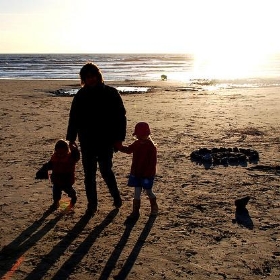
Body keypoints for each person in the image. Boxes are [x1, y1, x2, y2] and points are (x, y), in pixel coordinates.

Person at [66, 62, 127, 217]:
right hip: (86, 141)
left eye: (93, 76)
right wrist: (71, 140)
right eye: (87, 77)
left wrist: (119, 139)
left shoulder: (111, 93)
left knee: (106, 171)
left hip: (106, 140)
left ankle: (116, 198)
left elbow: (121, 117)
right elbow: (73, 119)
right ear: (83, 79)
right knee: (89, 175)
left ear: (98, 76)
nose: (91, 79)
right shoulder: (80, 96)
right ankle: (92, 205)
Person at [116, 122, 158, 219]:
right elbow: (128, 150)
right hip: (137, 173)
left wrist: (148, 173)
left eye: (140, 135)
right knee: (137, 192)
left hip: (147, 174)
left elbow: (152, 163)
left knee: (148, 191)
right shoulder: (137, 143)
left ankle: (154, 206)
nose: (138, 137)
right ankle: (135, 212)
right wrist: (119, 147)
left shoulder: (151, 147)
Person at [46, 139, 80, 211]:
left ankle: (73, 197)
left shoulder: (70, 158)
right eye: (58, 153)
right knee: (56, 192)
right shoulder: (54, 157)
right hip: (56, 179)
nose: (60, 155)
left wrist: (74, 148)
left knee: (69, 190)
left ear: (67, 151)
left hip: (66, 179)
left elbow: (76, 157)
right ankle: (56, 202)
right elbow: (50, 165)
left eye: (62, 153)